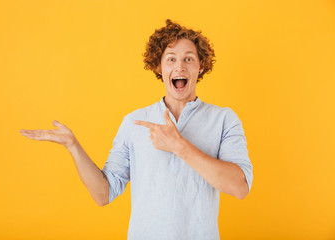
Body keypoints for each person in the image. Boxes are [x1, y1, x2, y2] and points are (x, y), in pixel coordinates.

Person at [20, 19, 253, 240]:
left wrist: (179, 146)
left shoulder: (223, 119)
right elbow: (104, 194)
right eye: (171, 59)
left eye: (189, 59)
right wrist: (73, 146)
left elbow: (240, 187)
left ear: (201, 66)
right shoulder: (134, 122)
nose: (179, 66)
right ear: (159, 67)